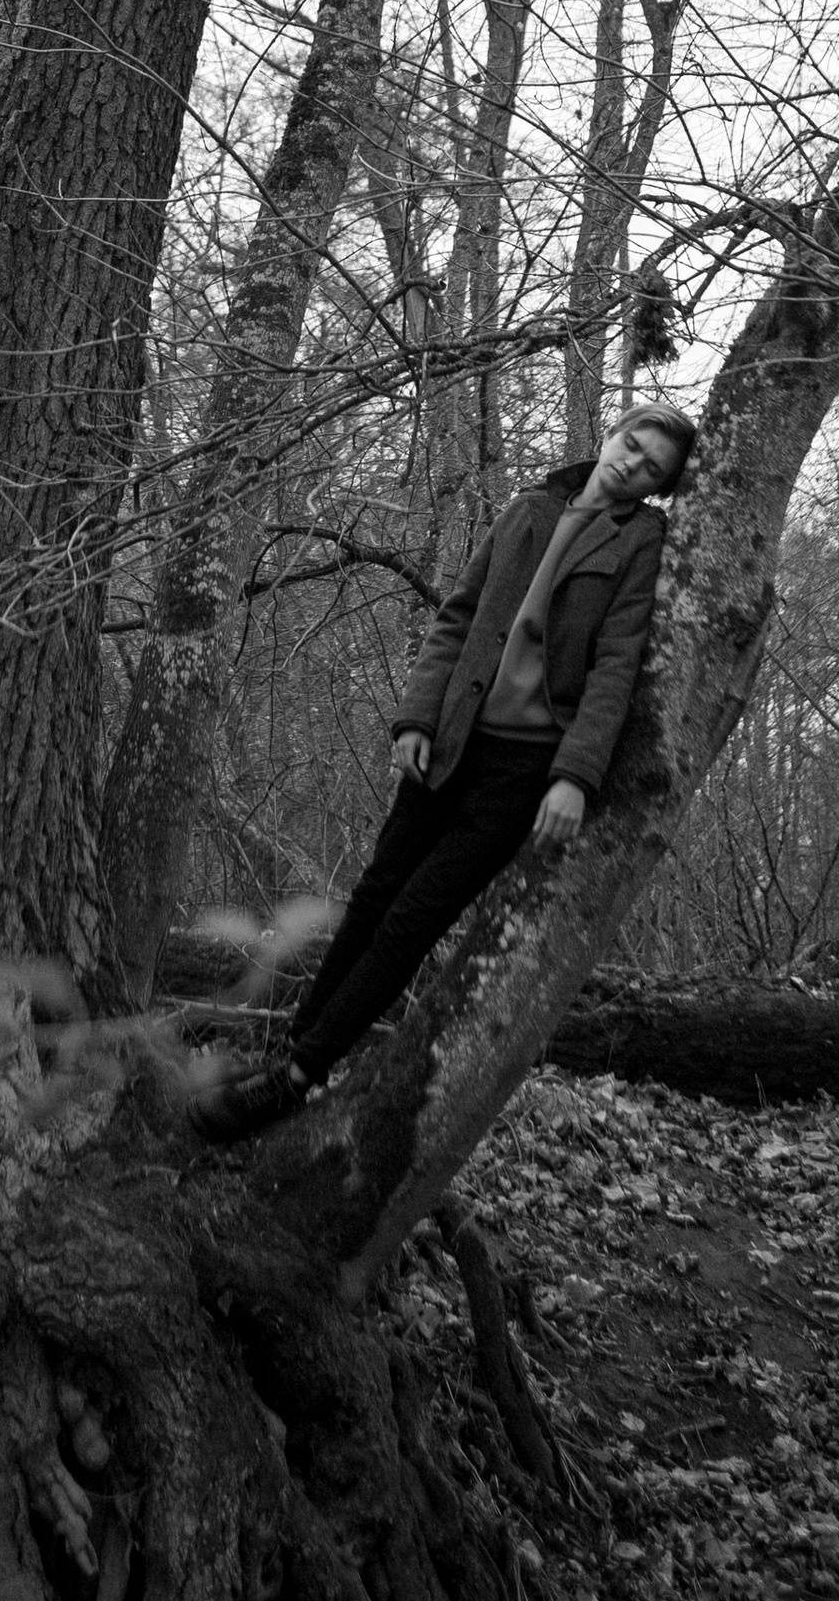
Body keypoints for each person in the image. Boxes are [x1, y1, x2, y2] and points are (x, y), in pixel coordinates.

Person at [195, 401, 697, 1139]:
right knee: (371, 898)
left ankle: (296, 1080)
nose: (632, 465)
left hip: (525, 769)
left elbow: (618, 666)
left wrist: (575, 774)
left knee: (411, 920)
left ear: (659, 486)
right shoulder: (531, 507)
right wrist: (417, 718)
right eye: (631, 445)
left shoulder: (640, 542)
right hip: (454, 739)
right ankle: (283, 1052)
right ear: (611, 434)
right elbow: (458, 617)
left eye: (652, 467)